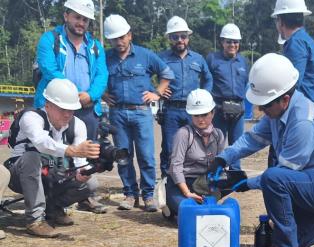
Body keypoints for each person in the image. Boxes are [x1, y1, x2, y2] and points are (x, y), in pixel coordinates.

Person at [208, 54, 314, 247]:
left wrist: (244, 184)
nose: (261, 111)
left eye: (265, 105)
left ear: (285, 99)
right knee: (298, 236)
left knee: (272, 178)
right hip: (311, 182)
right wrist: (224, 157)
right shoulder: (277, 112)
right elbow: (254, 138)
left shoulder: (303, 123)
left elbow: (282, 174)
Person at [34, 0, 108, 214]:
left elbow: (102, 75)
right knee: (51, 154)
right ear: (66, 16)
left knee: (86, 154)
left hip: (87, 107)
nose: (81, 22)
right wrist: (70, 95)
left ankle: (84, 195)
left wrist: (91, 95)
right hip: (55, 107)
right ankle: (46, 199)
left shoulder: (95, 46)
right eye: (77, 17)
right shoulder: (50, 40)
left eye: (85, 19)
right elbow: (50, 69)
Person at [5, 78, 100, 238]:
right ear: (48, 105)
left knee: (90, 183)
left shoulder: (78, 125)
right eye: (62, 109)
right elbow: (42, 143)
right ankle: (35, 220)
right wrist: (73, 150)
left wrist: (84, 171)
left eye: (72, 110)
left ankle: (53, 209)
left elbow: (78, 163)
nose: (67, 114)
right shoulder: (31, 117)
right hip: (20, 175)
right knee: (32, 157)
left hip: (52, 174)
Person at [102, 14, 174, 212]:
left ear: (130, 35)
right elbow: (94, 77)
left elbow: (167, 74)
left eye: (122, 37)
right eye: (114, 39)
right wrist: (102, 93)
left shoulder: (145, 55)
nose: (119, 42)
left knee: (146, 157)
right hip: (117, 114)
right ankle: (129, 194)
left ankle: (148, 195)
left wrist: (156, 93)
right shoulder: (105, 58)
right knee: (123, 156)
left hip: (141, 113)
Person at [158, 16, 213, 178]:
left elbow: (208, 78)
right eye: (175, 37)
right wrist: (156, 90)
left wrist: (205, 94)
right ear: (170, 38)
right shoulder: (161, 58)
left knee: (194, 145)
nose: (180, 40)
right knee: (170, 147)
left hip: (193, 112)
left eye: (183, 36)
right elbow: (145, 75)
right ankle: (167, 180)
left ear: (188, 37)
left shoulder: (198, 59)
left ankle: (190, 178)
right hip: (171, 110)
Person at [166, 89, 225, 215]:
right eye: (196, 115)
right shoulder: (183, 134)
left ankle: (203, 201)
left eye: (204, 114)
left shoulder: (218, 135)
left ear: (213, 113)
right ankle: (171, 205)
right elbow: (175, 167)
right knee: (191, 213)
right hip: (181, 184)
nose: (200, 119)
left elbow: (222, 164)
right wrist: (187, 193)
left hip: (204, 183)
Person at [206, 23, 249, 170]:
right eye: (229, 41)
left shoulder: (244, 62)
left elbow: (247, 83)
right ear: (222, 42)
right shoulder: (212, 59)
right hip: (219, 108)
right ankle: (216, 171)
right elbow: (205, 81)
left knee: (237, 143)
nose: (232, 44)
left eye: (235, 41)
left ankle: (235, 172)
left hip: (238, 108)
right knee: (216, 141)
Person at [272, 0, 314, 103]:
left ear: (281, 21)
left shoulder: (295, 43)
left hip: (299, 105)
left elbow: (292, 82)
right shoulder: (306, 40)